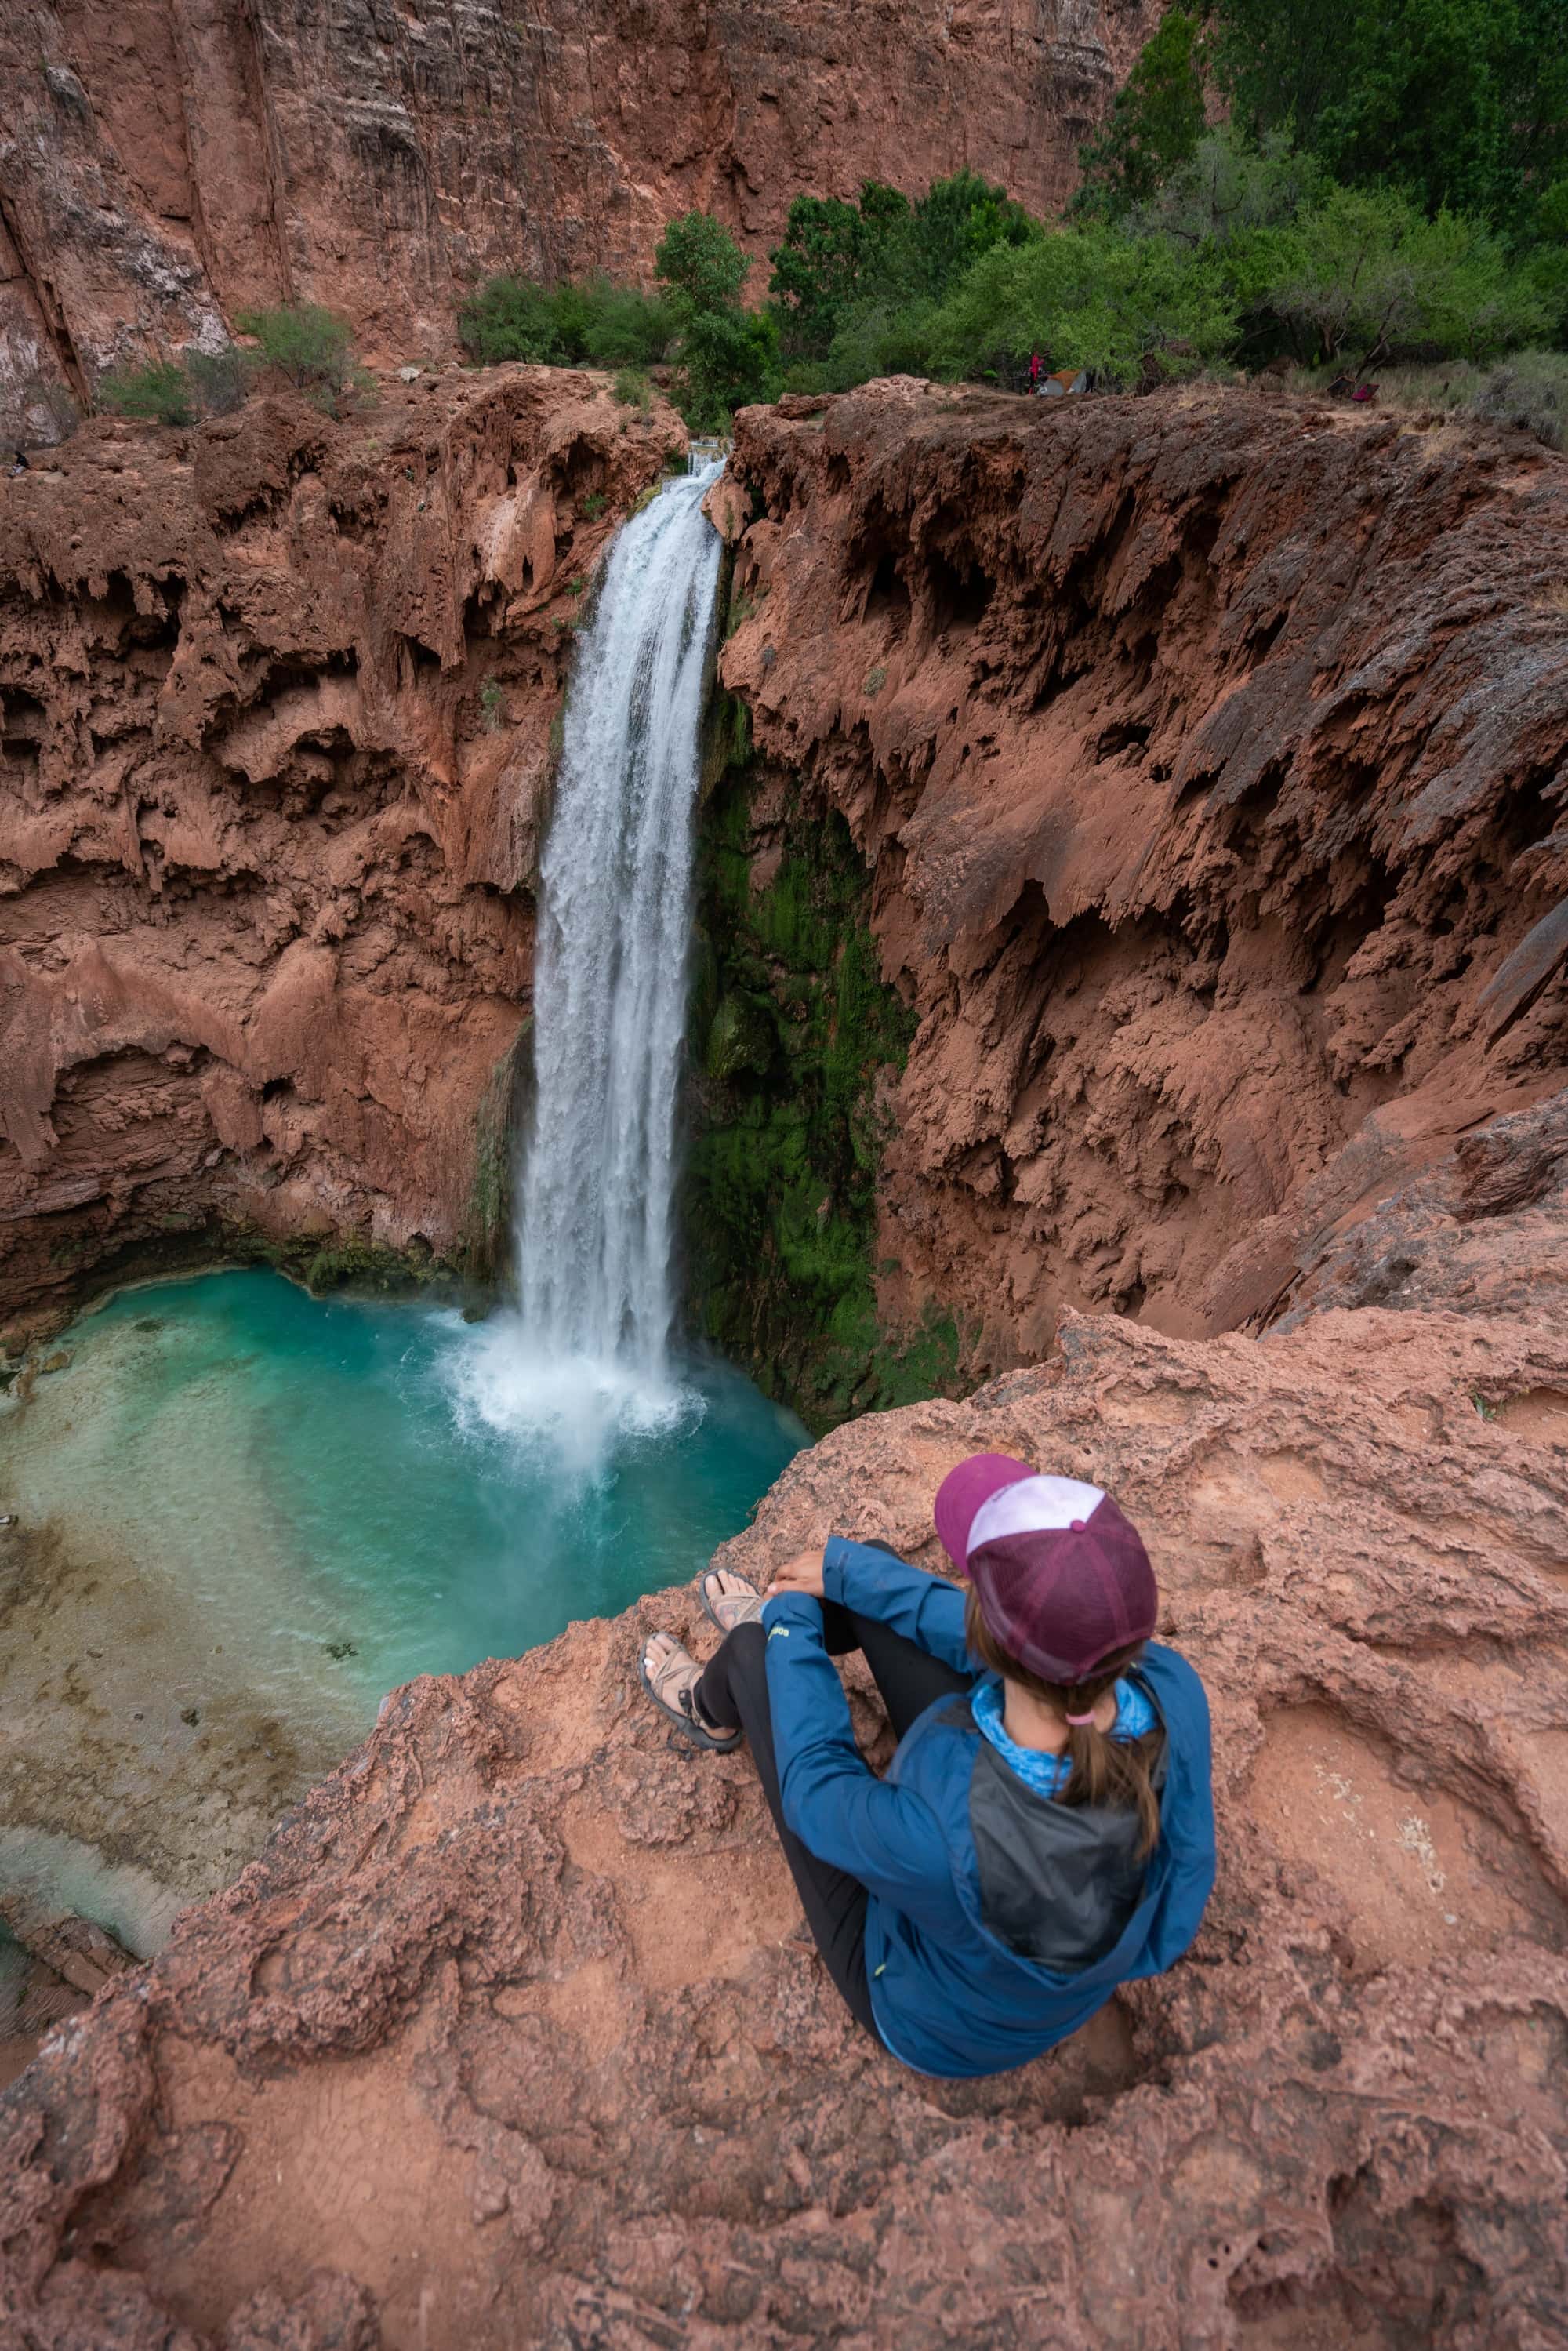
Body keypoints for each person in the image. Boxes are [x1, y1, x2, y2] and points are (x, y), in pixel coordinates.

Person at [638, 1454, 1215, 2080]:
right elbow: (1179, 1890)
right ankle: (793, 1614)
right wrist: (847, 1573)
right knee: (871, 1577)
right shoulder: (1168, 1687)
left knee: (754, 1653)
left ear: (987, 1636)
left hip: (930, 2015)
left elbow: (817, 1789)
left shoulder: (945, 1830)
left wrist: (789, 1627)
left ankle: (712, 1706)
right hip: (1018, 1943)